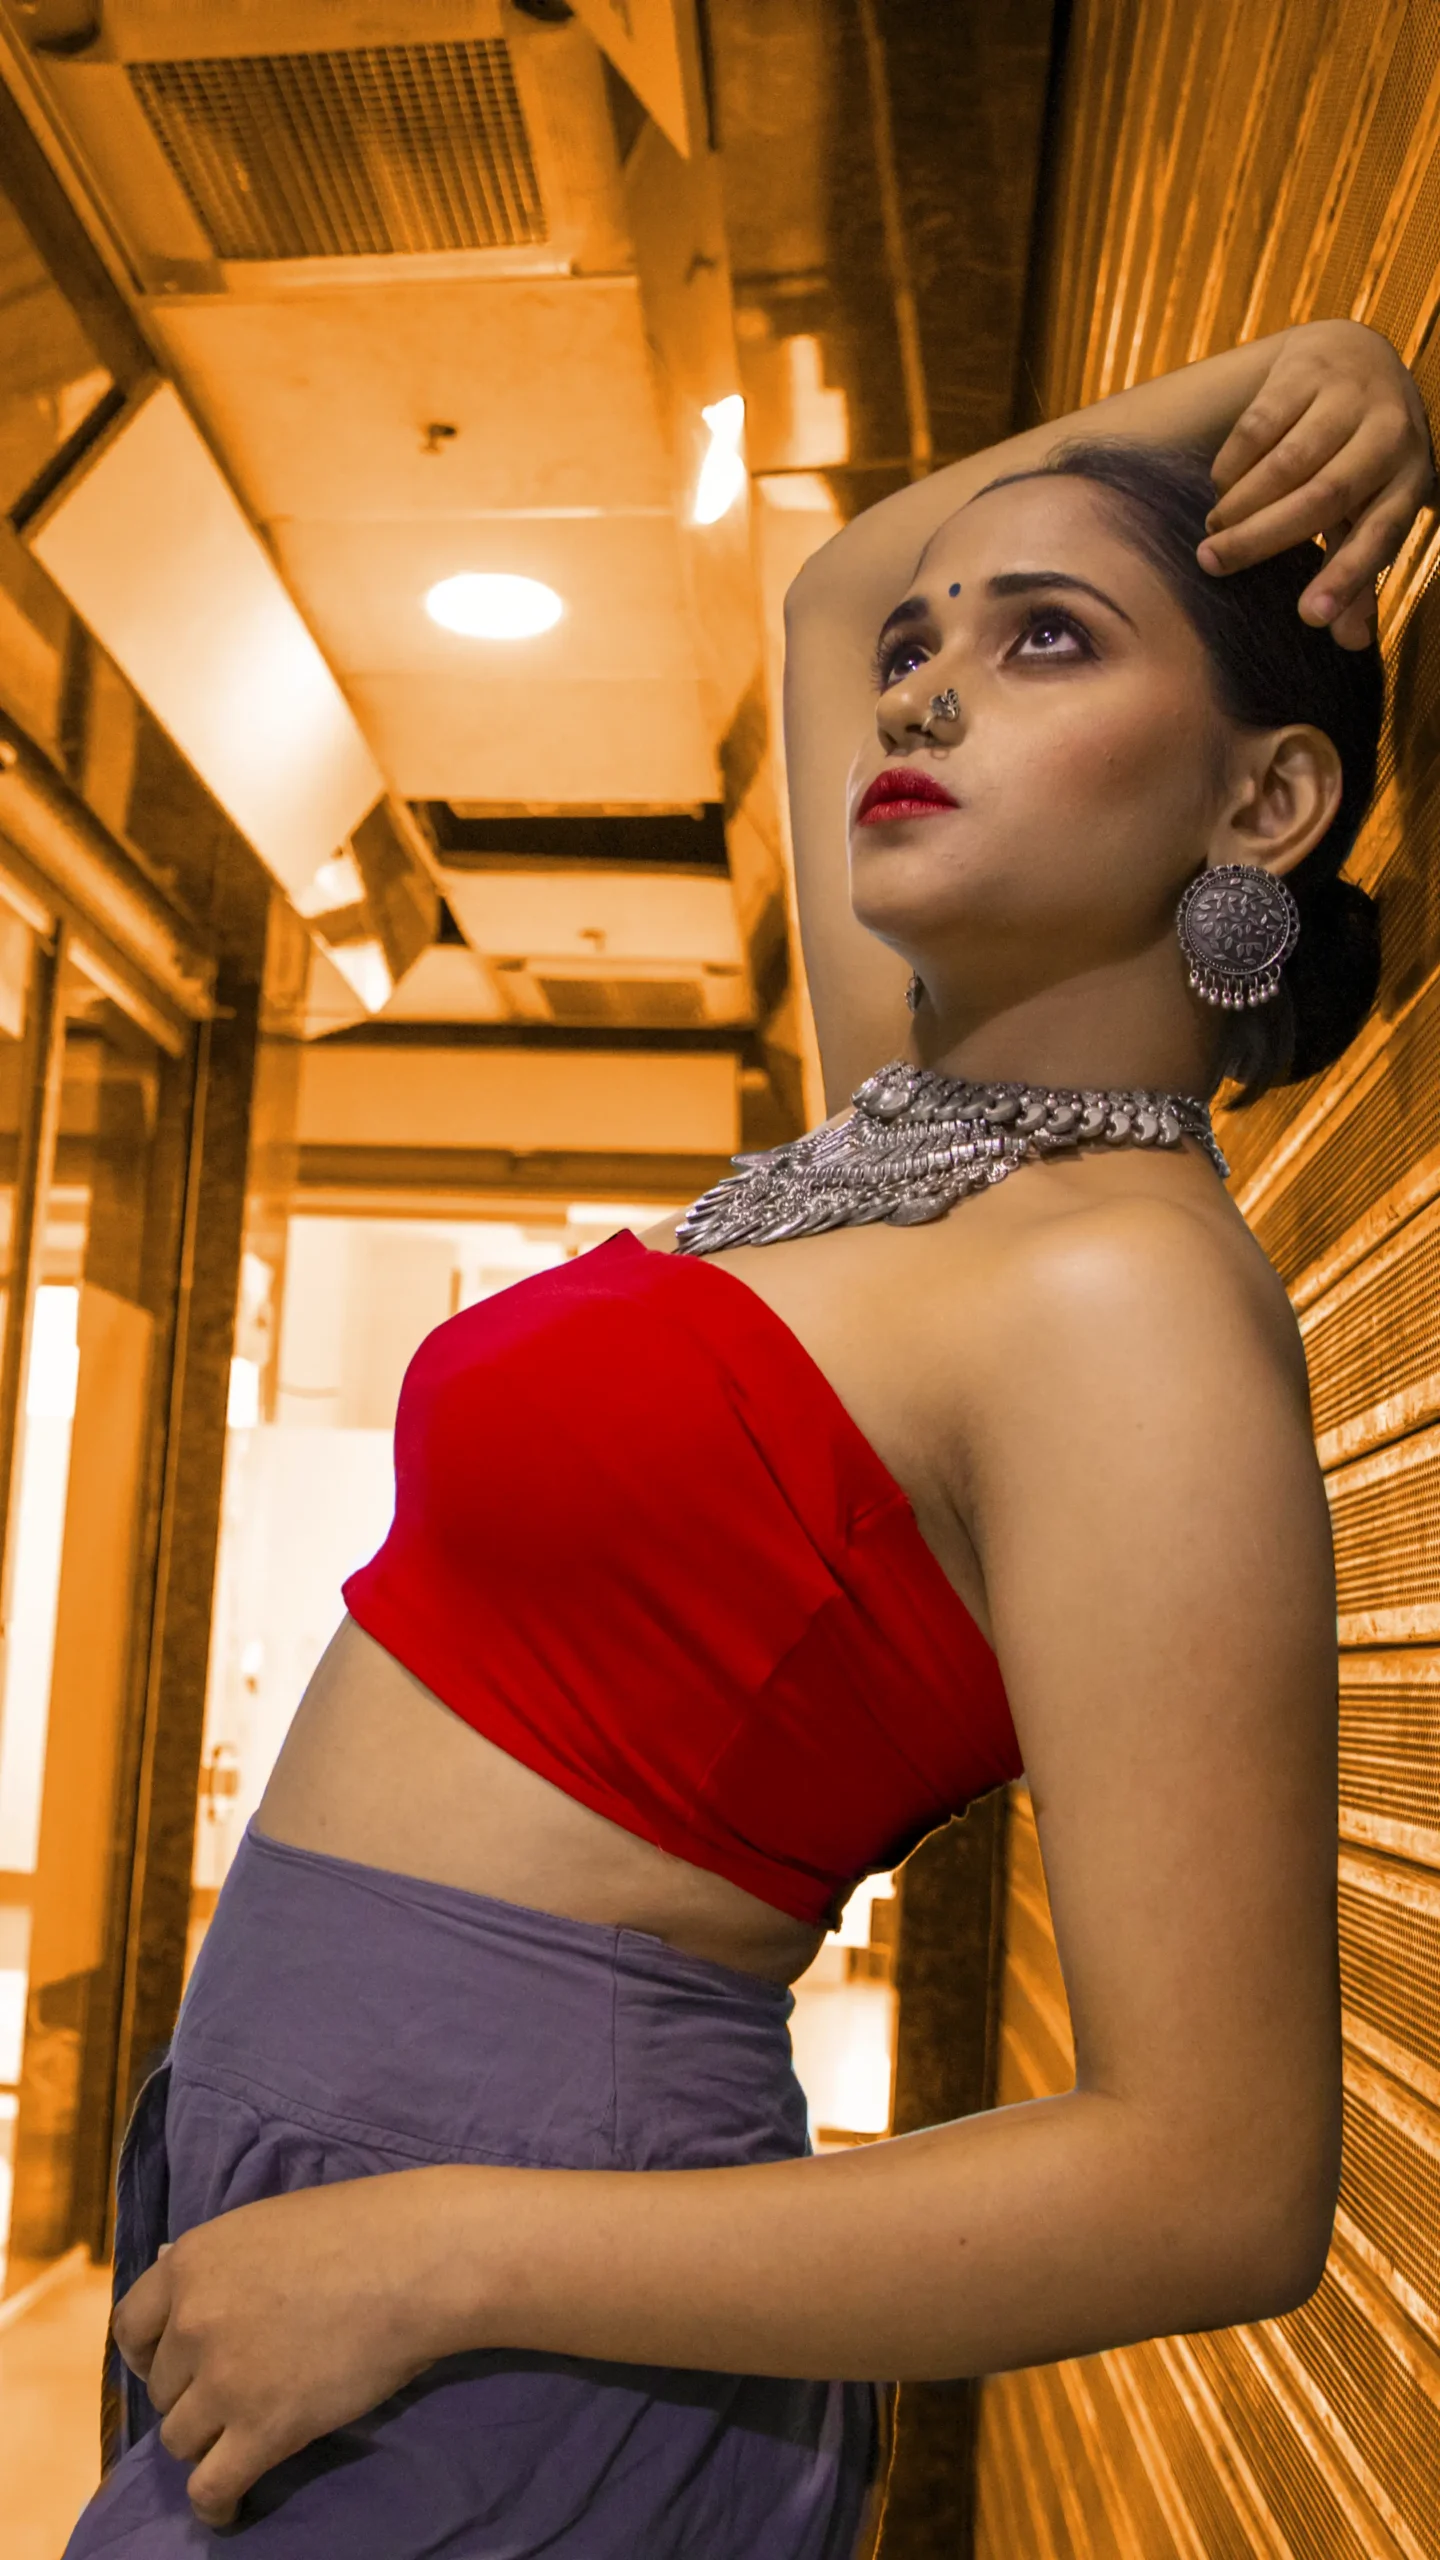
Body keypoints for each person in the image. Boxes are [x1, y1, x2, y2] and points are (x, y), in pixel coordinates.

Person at [68, 315, 1433, 2558]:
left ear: (1262, 801)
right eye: (934, 652)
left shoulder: (1124, 1295)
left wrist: (443, 2252)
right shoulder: (902, 1142)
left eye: (1048, 641)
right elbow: (834, 583)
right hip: (306, 2170)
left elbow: (1219, 2179)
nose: (918, 684)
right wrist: (1320, 368)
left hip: (523, 2280)